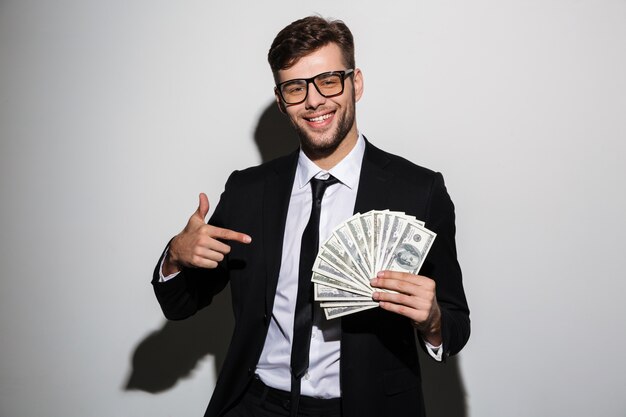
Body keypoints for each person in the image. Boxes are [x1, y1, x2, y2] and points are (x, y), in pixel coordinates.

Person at [152, 15, 470, 417]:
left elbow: (455, 325)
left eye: (329, 81)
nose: (314, 100)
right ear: (282, 99)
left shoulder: (419, 191)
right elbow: (181, 305)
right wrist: (175, 256)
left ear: (356, 83)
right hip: (256, 404)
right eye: (296, 87)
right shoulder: (248, 191)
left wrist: (434, 320)